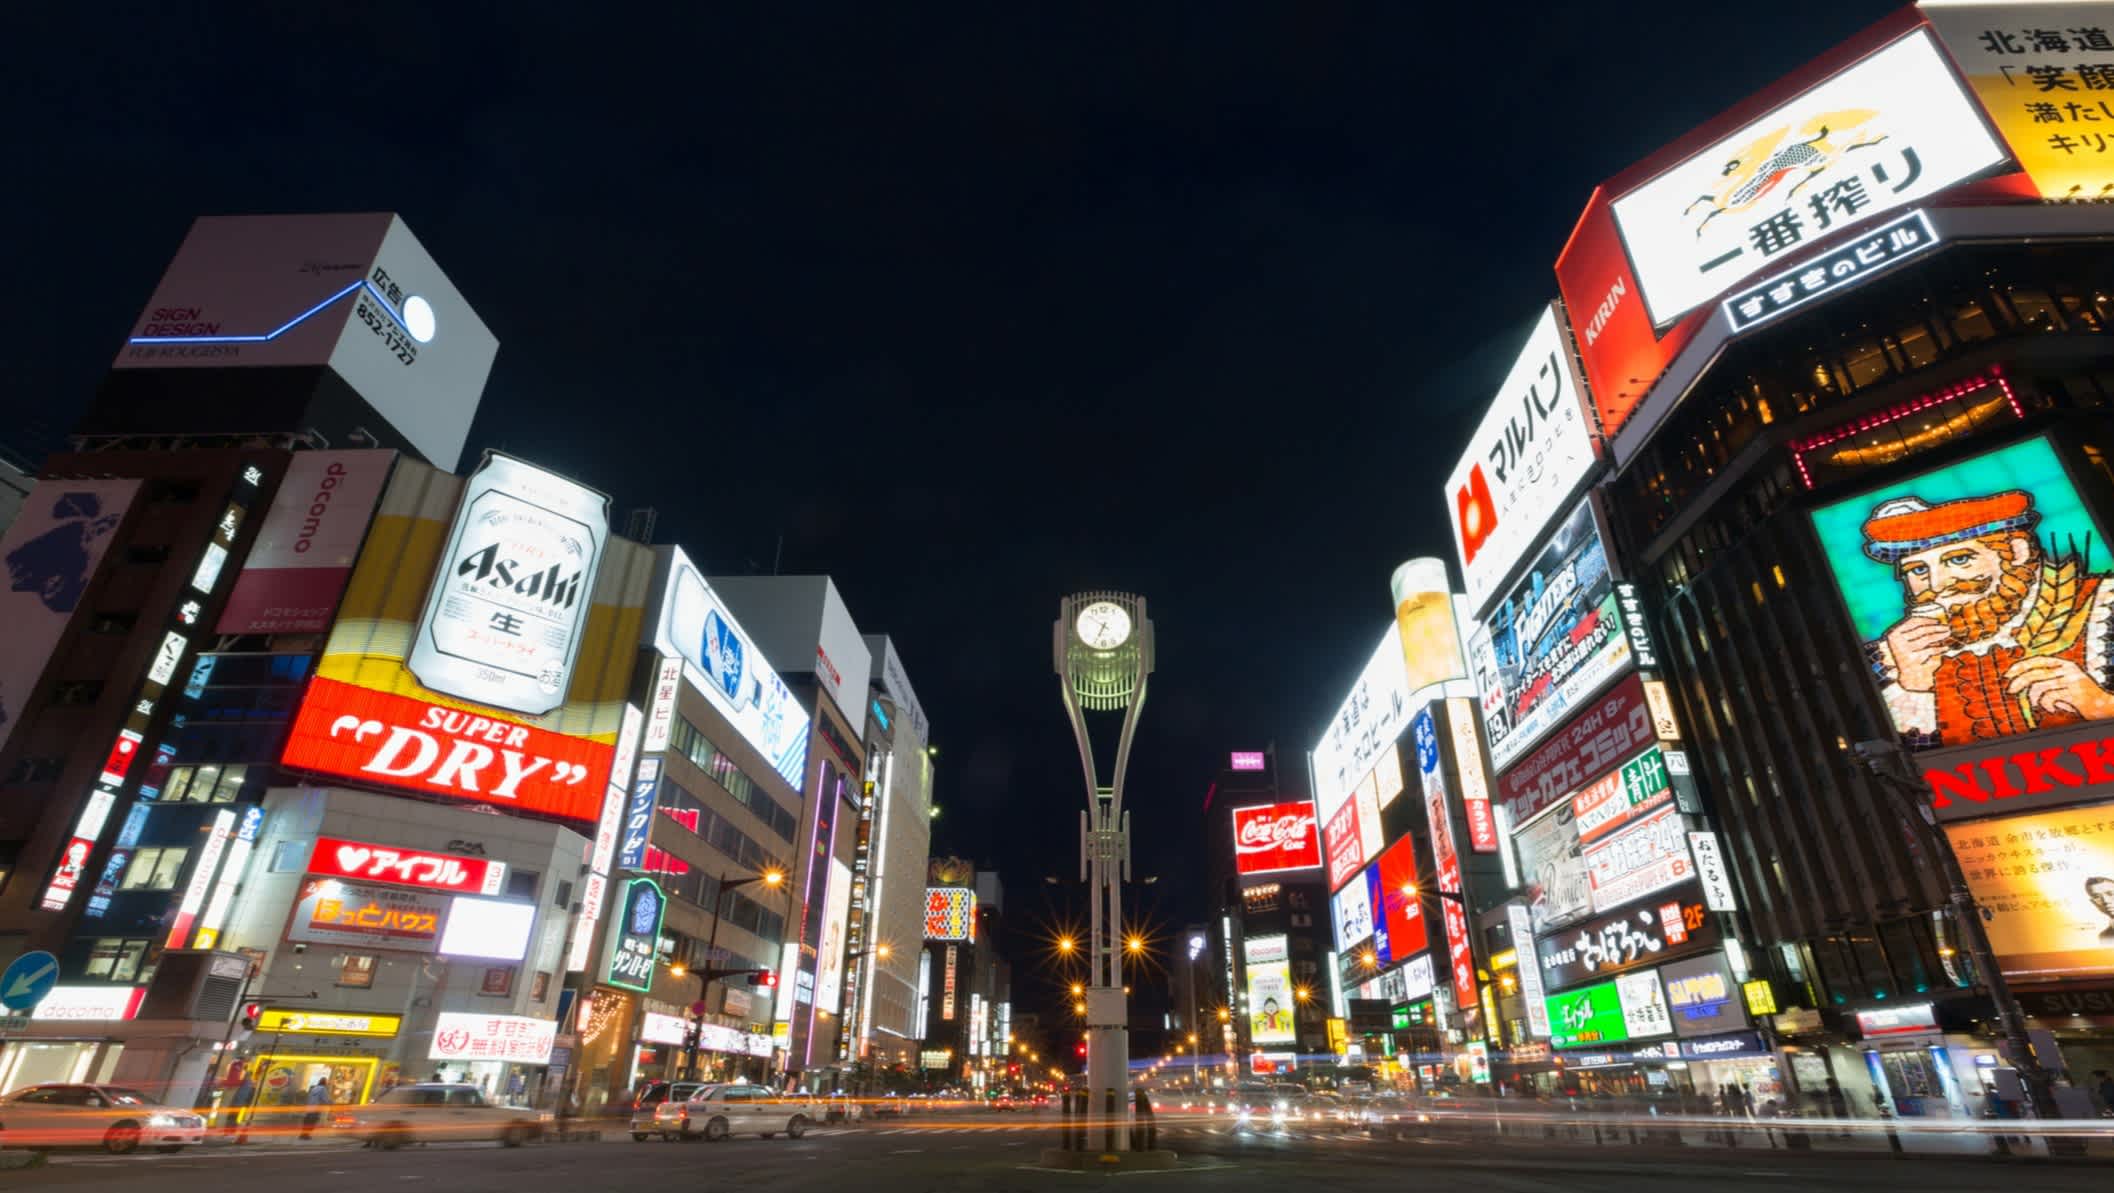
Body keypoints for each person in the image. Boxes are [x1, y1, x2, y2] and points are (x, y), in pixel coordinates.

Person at [1858, 490, 2114, 746]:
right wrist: (1914, 687)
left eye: (1959, 559)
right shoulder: (1888, 657)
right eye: (1917, 570)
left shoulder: (2104, 607)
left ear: (2017, 551)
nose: (1937, 584)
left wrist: (2099, 703)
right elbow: (1884, 762)